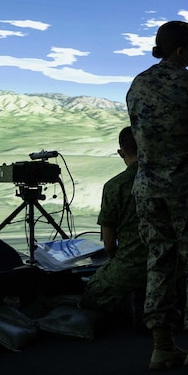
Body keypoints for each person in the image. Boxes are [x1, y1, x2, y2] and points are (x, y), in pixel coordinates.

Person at [126, 20, 188, 373]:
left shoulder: (137, 85)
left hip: (149, 191)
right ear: (181, 50)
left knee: (159, 261)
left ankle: (162, 348)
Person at [78, 127, 147, 328]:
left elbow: (108, 245)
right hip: (170, 267)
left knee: (92, 292)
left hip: (130, 268)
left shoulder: (115, 186)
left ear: (121, 153)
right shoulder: (170, 182)